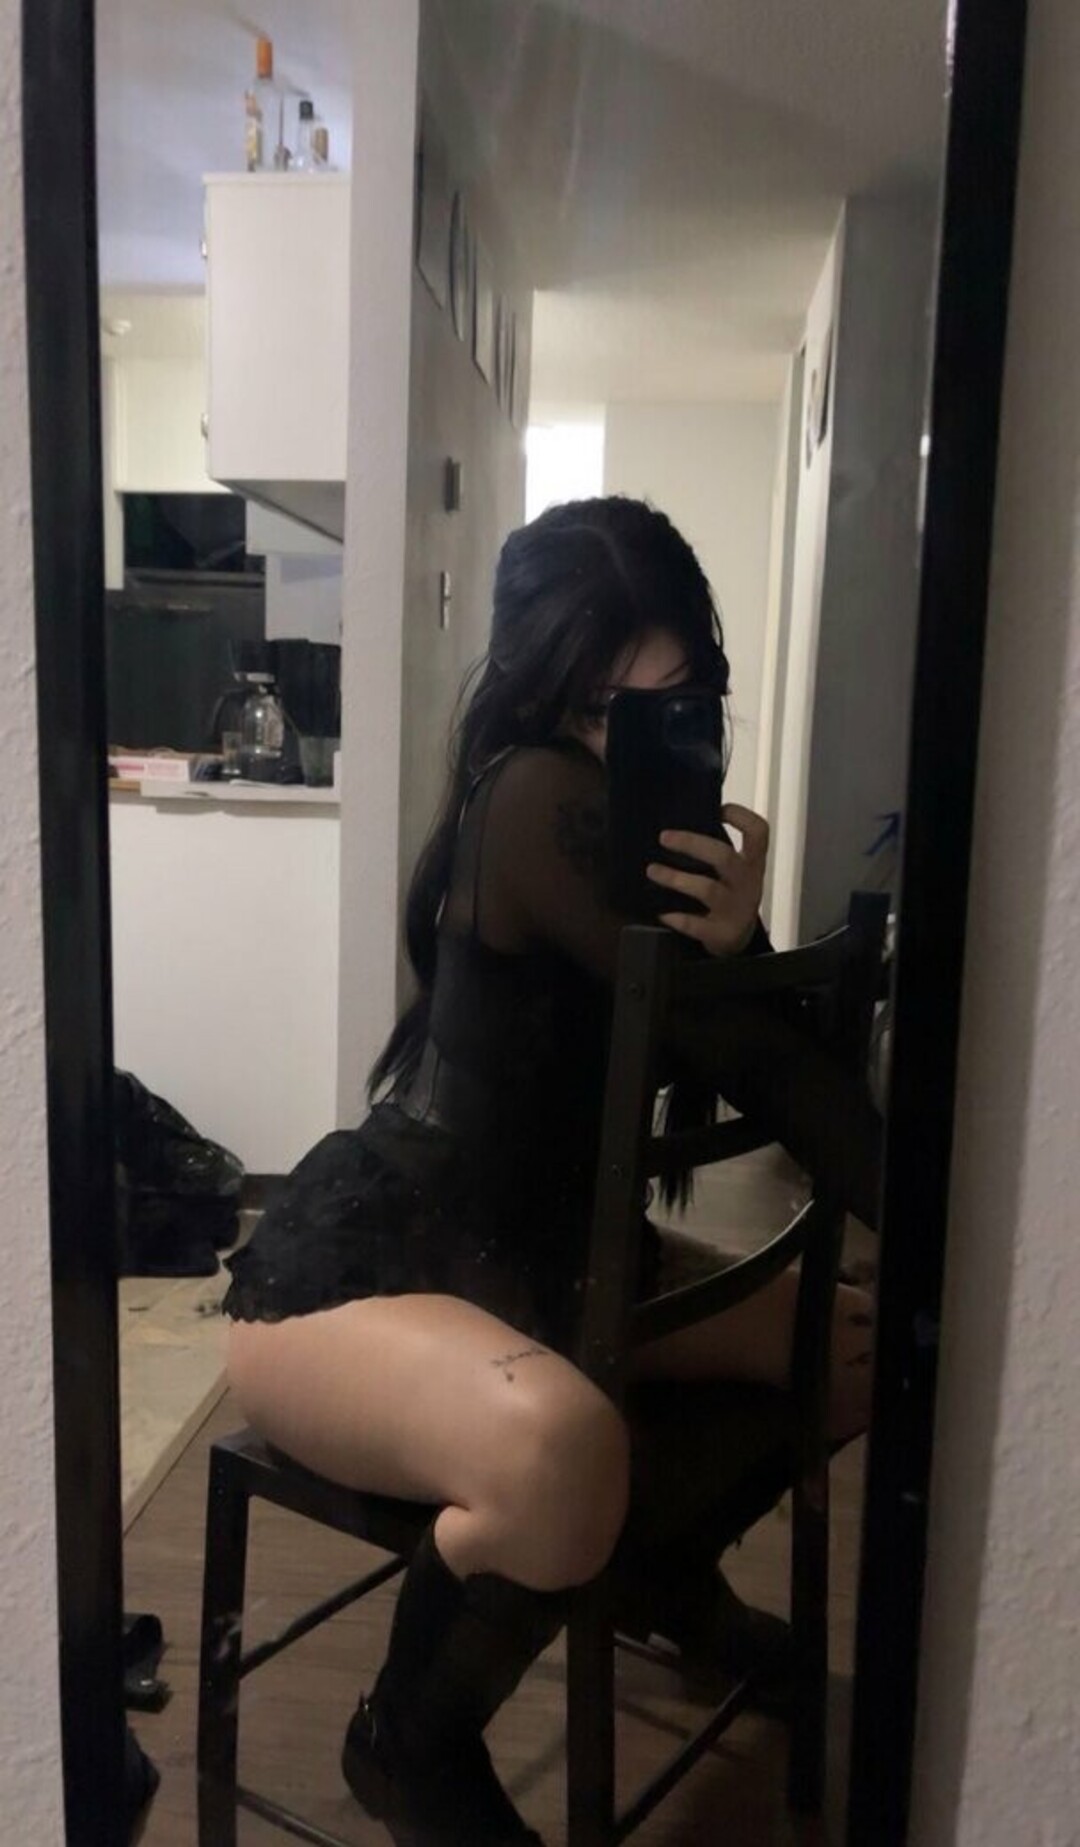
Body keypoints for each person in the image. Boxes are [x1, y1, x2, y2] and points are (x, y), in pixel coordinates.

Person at [223, 497, 879, 1847]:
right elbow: (787, 1088)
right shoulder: (533, 796)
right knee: (567, 1451)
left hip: (559, 1266)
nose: (614, 754)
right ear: (538, 692)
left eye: (665, 711)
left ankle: (658, 1578)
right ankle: (409, 1741)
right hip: (362, 1276)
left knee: (856, 1346)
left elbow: (781, 1089)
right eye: (595, 709)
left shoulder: (630, 850)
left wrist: (742, 948)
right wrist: (748, 965)